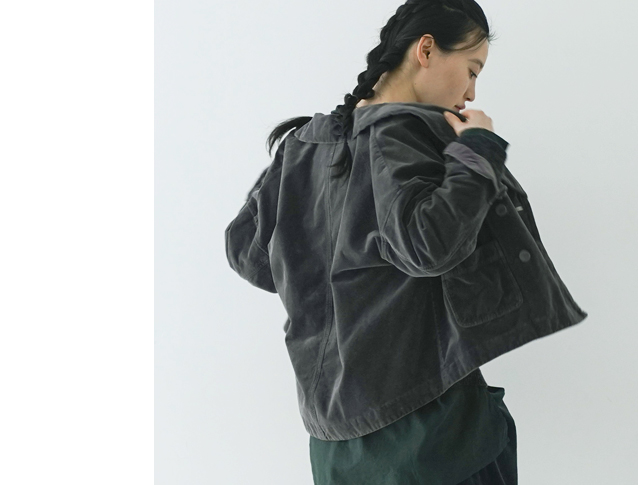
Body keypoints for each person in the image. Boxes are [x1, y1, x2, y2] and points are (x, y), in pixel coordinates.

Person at [224, 0, 588, 483]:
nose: (471, 92)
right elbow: (429, 246)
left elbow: (247, 255)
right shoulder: (403, 133)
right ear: (427, 50)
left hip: (336, 441)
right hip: (429, 430)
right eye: (472, 70)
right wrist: (478, 150)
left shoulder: (303, 146)